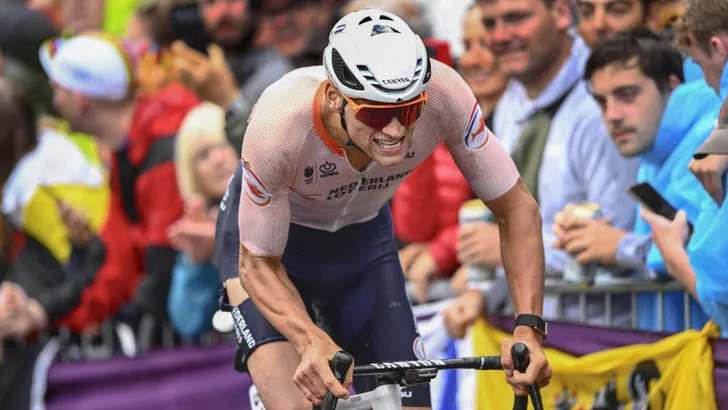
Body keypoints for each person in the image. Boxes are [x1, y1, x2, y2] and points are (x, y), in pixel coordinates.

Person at [215, 8, 551, 410]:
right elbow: (257, 263)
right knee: (296, 404)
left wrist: (529, 328)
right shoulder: (280, 123)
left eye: (409, 111)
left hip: (363, 240)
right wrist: (309, 339)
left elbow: (517, 208)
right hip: (272, 253)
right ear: (335, 96)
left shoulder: (444, 94)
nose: (395, 130)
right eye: (375, 113)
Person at [553, 29, 714, 331]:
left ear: (672, 86)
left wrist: (620, 247)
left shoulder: (709, 140)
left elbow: (708, 254)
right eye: (602, 102)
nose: (612, 115)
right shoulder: (652, 157)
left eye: (627, 95)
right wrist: (592, 244)